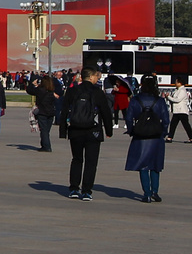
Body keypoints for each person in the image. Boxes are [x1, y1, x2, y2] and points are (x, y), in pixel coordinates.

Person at [58, 67, 115, 200]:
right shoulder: (97, 92)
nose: (98, 78)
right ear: (90, 77)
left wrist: (63, 131)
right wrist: (108, 130)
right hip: (93, 131)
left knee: (77, 159)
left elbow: (65, 110)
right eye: (96, 76)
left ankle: (73, 189)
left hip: (75, 130)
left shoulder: (72, 91)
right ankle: (86, 191)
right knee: (91, 162)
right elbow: (105, 112)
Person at [125, 74, 169, 203]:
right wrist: (163, 133)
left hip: (141, 135)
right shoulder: (159, 101)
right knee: (155, 165)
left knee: (143, 165)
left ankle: (147, 193)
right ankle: (155, 191)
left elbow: (129, 118)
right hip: (156, 136)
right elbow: (166, 120)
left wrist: (131, 130)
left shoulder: (135, 100)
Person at [29, 71, 60, 152]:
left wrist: (33, 84)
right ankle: (44, 145)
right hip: (51, 112)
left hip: (42, 112)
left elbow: (30, 91)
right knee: (46, 130)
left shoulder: (40, 90)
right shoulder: (51, 91)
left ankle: (47, 146)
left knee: (44, 130)